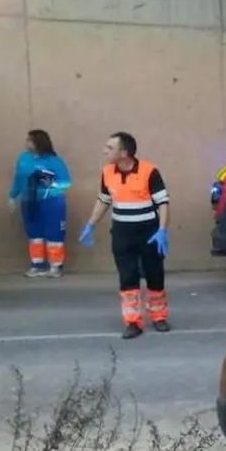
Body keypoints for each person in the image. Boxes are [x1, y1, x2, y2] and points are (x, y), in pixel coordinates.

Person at [79, 132, 171, 339]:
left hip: (149, 233)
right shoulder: (107, 172)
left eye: (110, 148)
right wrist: (90, 225)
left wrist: (162, 230)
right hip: (122, 233)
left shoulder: (149, 171)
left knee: (155, 274)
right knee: (127, 277)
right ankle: (133, 322)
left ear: (124, 153)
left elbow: (163, 202)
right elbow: (104, 200)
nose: (105, 151)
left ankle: (159, 317)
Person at [8, 129, 71, 278]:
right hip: (29, 200)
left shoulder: (54, 161)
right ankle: (37, 265)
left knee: (53, 233)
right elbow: (18, 179)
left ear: (38, 142)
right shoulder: (23, 158)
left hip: (51, 201)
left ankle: (55, 266)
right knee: (34, 233)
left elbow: (66, 182)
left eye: (30, 140)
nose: (27, 142)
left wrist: (48, 183)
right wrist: (12, 196)